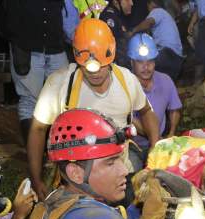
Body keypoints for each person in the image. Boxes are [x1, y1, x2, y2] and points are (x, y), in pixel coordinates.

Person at [23, 109, 202, 219]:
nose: (124, 170)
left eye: (120, 158)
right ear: (76, 173)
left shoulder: (46, 207)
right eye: (110, 162)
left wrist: (137, 206)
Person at [27, 18, 160, 200]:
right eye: (87, 67)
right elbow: (38, 128)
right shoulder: (60, 84)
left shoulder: (127, 80)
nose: (95, 72)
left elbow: (146, 111)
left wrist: (155, 145)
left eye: (101, 66)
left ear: (111, 55)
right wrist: (36, 179)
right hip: (78, 175)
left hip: (121, 165)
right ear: (76, 56)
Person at [6, 0, 69, 142]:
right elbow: (4, 12)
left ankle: (56, 149)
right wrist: (15, 39)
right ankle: (34, 154)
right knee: (29, 99)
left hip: (55, 45)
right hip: (26, 47)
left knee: (63, 97)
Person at [127, 33, 182, 170]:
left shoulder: (165, 80)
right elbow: (130, 118)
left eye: (150, 61)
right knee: (132, 173)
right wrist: (154, 137)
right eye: (140, 62)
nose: (146, 67)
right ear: (131, 62)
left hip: (161, 141)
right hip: (132, 146)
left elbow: (175, 108)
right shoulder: (125, 84)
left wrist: (172, 132)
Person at [129, 0, 184, 80]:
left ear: (151, 3)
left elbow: (149, 22)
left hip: (168, 54)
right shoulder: (165, 15)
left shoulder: (157, 11)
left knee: (140, 66)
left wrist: (132, 31)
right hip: (177, 60)